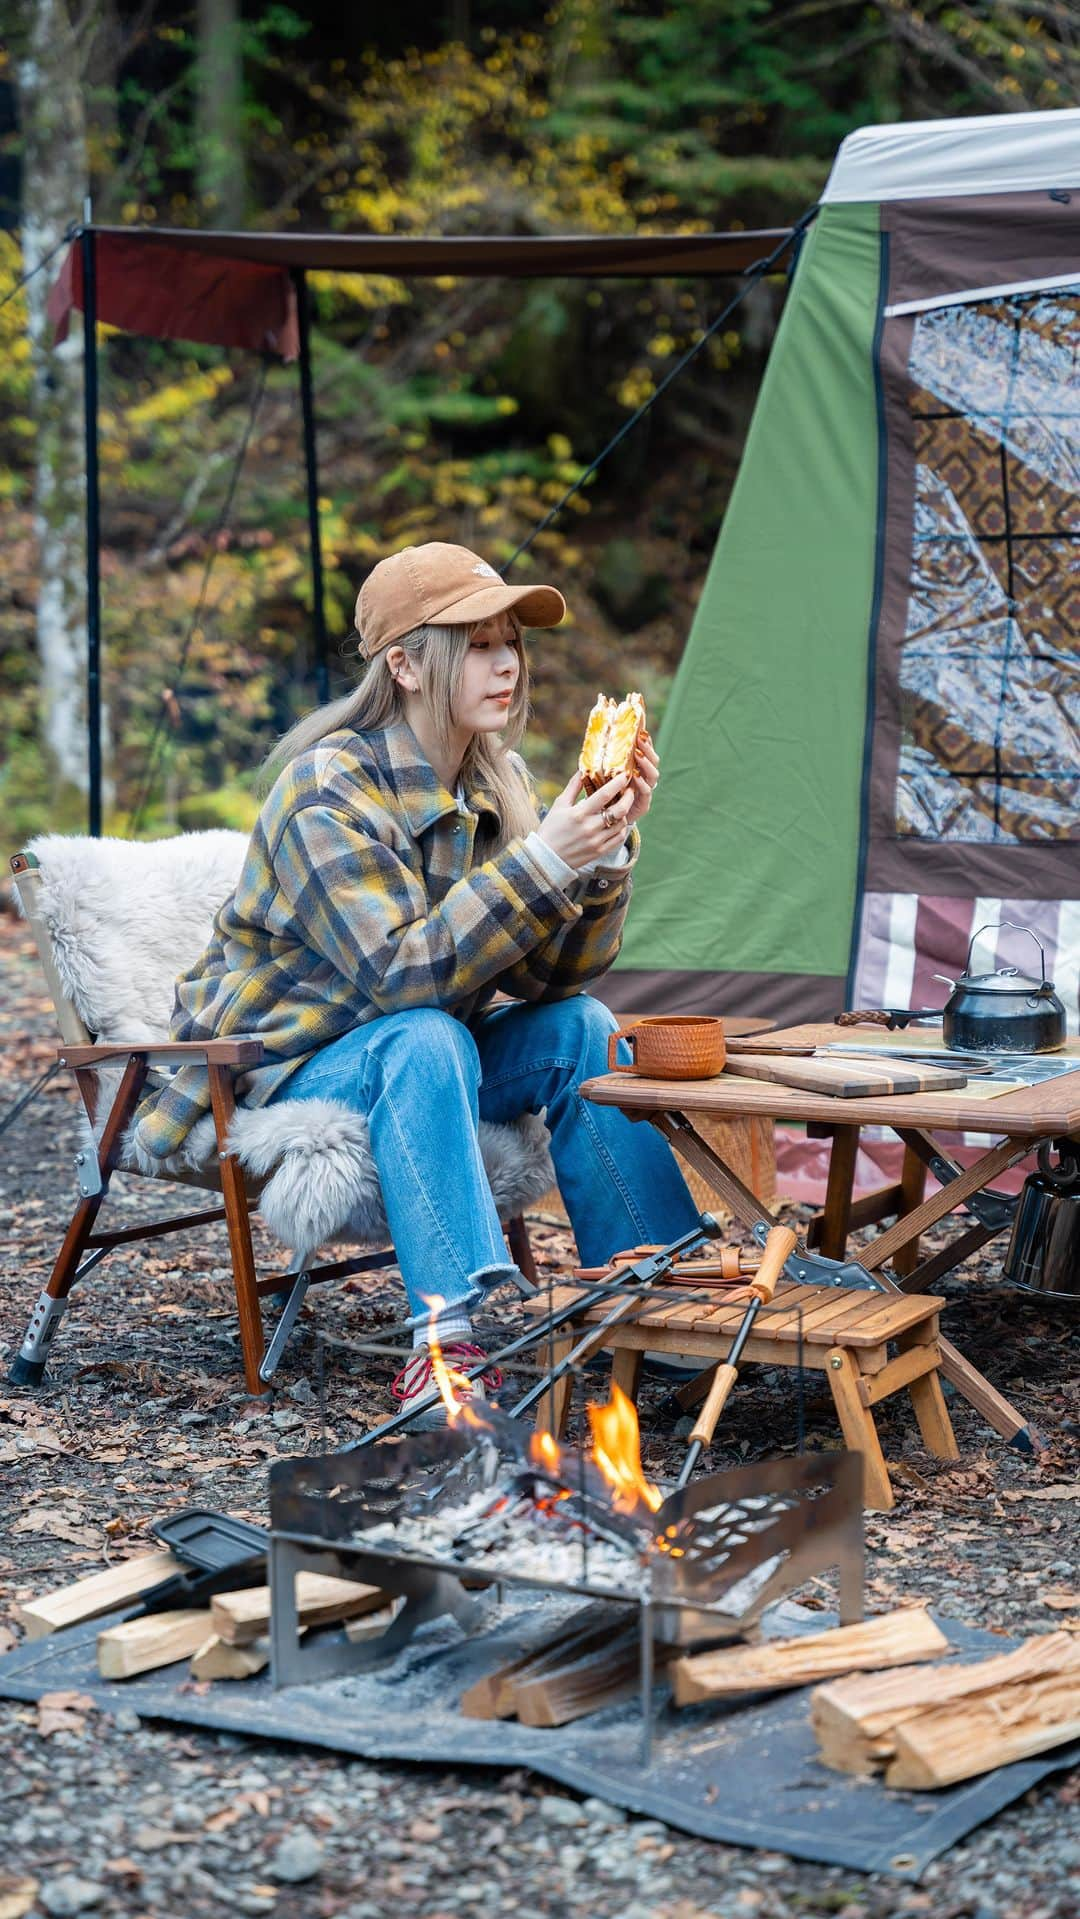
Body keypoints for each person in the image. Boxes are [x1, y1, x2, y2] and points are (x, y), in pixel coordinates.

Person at [133, 542, 701, 1423]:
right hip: (290, 1061)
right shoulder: (323, 790)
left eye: (511, 640)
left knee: (582, 1025)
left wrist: (603, 856)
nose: (507, 661)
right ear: (403, 664)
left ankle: (661, 1304)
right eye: (475, 644)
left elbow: (553, 975)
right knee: (424, 1033)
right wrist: (546, 857)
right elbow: (404, 977)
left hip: (424, 1048)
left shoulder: (496, 779)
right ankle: (449, 1340)